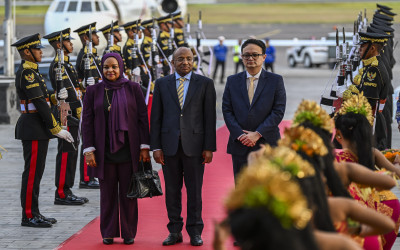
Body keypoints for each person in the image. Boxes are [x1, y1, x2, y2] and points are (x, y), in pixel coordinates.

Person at [150, 47, 216, 246]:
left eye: (189, 59)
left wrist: (209, 147)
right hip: (169, 147)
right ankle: (175, 231)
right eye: (180, 59)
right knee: (172, 191)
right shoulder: (161, 84)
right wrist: (156, 147)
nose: (185, 62)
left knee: (195, 191)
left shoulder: (205, 84)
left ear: (194, 61)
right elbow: (156, 117)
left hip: (195, 148)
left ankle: (195, 231)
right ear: (173, 62)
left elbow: (209, 118)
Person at [82, 53, 150, 245]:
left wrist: (145, 147)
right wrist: (89, 149)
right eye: (106, 67)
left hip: (129, 152)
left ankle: (129, 233)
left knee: (129, 195)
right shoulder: (93, 91)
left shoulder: (133, 88)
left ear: (121, 68)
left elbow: (142, 119)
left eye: (114, 67)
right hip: (104, 153)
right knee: (107, 195)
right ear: (101, 69)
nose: (110, 70)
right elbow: (86, 122)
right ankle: (108, 232)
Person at [12, 34, 74, 227]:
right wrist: (56, 129)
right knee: (32, 174)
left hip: (37, 128)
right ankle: (29, 215)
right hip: (33, 128)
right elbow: (39, 103)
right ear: (26, 52)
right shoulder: (27, 73)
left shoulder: (34, 72)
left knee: (37, 173)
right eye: (37, 49)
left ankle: (35, 212)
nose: (41, 51)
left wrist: (55, 97)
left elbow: (44, 97)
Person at [222, 38, 286, 179]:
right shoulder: (232, 81)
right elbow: (227, 110)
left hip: (267, 143)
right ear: (242, 57)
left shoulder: (275, 80)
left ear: (263, 57)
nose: (250, 58)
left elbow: (278, 111)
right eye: (246, 55)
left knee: (269, 188)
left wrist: (257, 134)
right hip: (240, 143)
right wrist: (240, 135)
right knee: (241, 189)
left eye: (255, 55)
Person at [43, 28, 88, 205]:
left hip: (75, 113)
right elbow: (61, 92)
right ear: (60, 45)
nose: (71, 43)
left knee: (72, 153)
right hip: (66, 114)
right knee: (66, 154)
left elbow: (74, 90)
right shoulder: (58, 65)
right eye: (68, 42)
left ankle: (67, 190)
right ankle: (61, 192)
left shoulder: (67, 64)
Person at [73, 22, 101, 189]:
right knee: (87, 139)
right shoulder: (84, 55)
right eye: (95, 35)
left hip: (95, 98)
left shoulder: (91, 55)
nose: (97, 37)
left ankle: (90, 175)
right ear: (86, 38)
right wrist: (84, 84)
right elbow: (78, 81)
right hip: (87, 101)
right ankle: (85, 178)